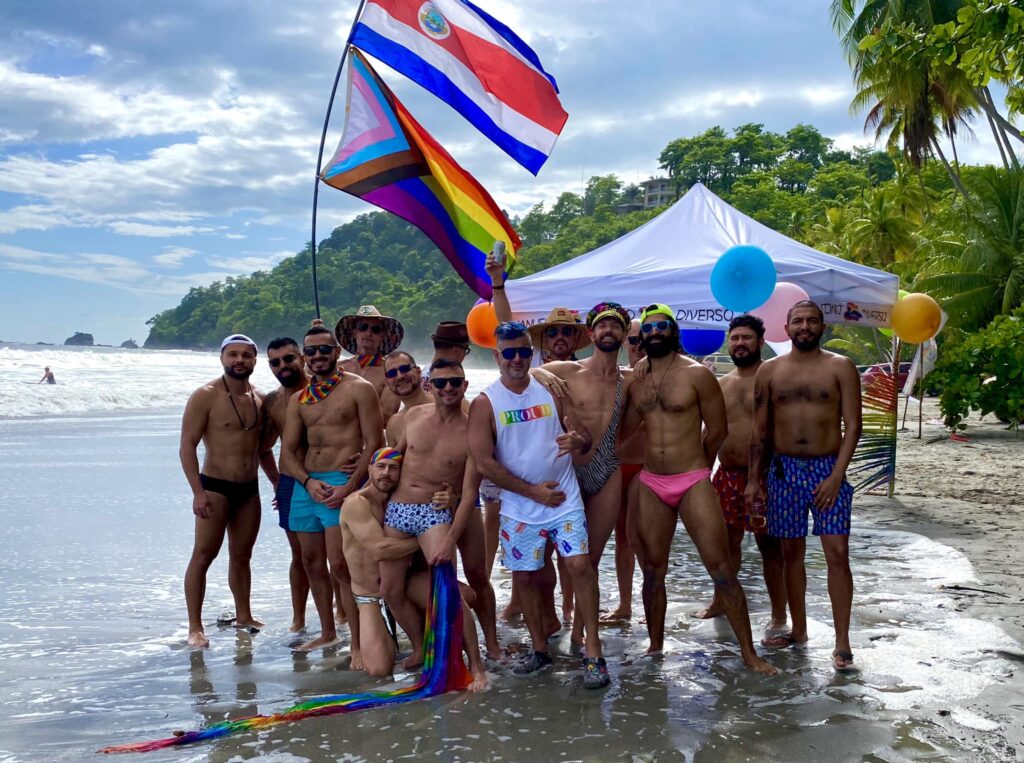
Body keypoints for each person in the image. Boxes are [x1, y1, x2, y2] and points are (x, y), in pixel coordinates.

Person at [619, 306, 774, 674]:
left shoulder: (698, 375)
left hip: (692, 479)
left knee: (721, 568)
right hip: (652, 482)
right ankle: (655, 647)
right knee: (653, 571)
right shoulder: (636, 380)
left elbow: (717, 431)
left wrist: (698, 468)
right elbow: (623, 431)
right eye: (648, 328)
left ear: (674, 332)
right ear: (641, 338)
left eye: (662, 326)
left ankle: (749, 654)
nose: (655, 332)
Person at [468, 321, 612, 689]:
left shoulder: (550, 390)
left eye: (523, 351)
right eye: (509, 353)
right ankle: (539, 649)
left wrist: (578, 441)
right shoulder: (487, 403)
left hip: (563, 498)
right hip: (519, 506)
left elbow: (583, 439)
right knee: (527, 577)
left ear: (531, 354)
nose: (517, 359)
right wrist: (532, 492)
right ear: (497, 355)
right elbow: (484, 462)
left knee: (579, 564)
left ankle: (593, 651)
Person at [746, 300, 862, 671]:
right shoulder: (769, 371)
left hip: (828, 468)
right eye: (798, 320)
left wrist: (836, 476)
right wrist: (754, 480)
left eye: (812, 320)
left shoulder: (840, 367)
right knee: (790, 554)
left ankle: (842, 642)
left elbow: (853, 426)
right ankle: (799, 629)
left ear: (822, 326)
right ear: (787, 326)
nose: (805, 326)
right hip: (783, 472)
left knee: (836, 554)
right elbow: (760, 432)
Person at [380, 358, 501, 665]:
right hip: (402, 509)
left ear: (465, 385)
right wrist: (366, 486)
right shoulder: (411, 418)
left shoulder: (474, 425)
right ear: (428, 384)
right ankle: (423, 645)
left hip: (449, 508)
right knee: (394, 588)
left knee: (475, 574)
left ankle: (490, 645)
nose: (448, 388)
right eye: (440, 382)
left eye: (455, 382)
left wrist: (456, 495)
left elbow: (476, 484)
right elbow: (395, 459)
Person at [341, 448, 488, 689]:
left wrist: (448, 500)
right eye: (381, 467)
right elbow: (380, 550)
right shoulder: (356, 504)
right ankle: (414, 642)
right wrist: (425, 539)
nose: (386, 474)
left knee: (461, 596)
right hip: (370, 595)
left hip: (404, 582)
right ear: (369, 469)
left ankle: (468, 661)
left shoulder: (402, 502)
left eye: (393, 468)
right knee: (379, 669)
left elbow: (437, 515)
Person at [280, 325, 384, 657]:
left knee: (340, 564)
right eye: (310, 352)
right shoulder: (299, 399)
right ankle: (328, 632)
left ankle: (357, 641)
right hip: (307, 485)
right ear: (303, 357)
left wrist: (351, 488)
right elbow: (287, 453)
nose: (317, 356)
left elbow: (375, 442)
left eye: (324, 350)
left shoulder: (359, 389)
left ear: (337, 352)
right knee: (311, 561)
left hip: (341, 482)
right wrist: (307, 482)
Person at [536, 302, 633, 650]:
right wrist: (543, 373)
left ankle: (580, 630)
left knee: (591, 556)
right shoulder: (567, 370)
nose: (608, 331)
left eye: (615, 326)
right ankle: (555, 615)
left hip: (607, 465)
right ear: (591, 334)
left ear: (623, 334)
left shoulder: (630, 378)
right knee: (563, 554)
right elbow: (520, 375)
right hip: (569, 469)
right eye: (602, 326)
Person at [695, 316, 789, 640]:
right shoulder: (722, 383)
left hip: (766, 475)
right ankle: (720, 601)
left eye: (747, 338)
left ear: (760, 341)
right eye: (735, 338)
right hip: (728, 476)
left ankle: (779, 614)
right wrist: (700, 473)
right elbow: (710, 431)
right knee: (724, 545)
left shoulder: (774, 377)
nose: (740, 344)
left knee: (770, 548)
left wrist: (764, 475)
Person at [179, 334, 265, 648]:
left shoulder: (259, 398)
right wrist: (197, 492)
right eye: (233, 355)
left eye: (246, 355)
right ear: (222, 358)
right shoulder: (205, 395)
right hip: (214, 488)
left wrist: (278, 482)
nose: (239, 360)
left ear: (255, 360)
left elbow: (264, 448)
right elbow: (187, 446)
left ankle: (244, 615)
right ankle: (195, 627)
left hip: (249, 489)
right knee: (203, 556)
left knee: (242, 556)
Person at [258, 338, 311, 632]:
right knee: (300, 555)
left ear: (302, 358)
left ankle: (341, 612)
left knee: (336, 556)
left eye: (289, 359)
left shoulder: (323, 389)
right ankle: (299, 619)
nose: (283, 366)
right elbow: (264, 448)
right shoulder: (273, 401)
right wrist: (277, 482)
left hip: (326, 477)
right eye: (276, 362)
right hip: (291, 483)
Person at [602, 318, 646, 622]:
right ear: (623, 344)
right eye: (633, 340)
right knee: (622, 540)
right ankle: (626, 604)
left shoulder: (667, 376)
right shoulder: (612, 377)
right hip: (618, 467)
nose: (639, 346)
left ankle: (653, 599)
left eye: (645, 340)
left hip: (649, 468)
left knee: (647, 539)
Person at [336, 305, 404, 420]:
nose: (368, 333)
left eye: (375, 329)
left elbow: (387, 415)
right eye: (363, 327)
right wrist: (317, 335)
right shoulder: (338, 367)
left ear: (382, 336)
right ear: (354, 332)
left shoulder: (391, 371)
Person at [382, 351, 430, 445]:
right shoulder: (394, 425)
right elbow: (395, 458)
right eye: (392, 373)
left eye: (404, 369)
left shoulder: (452, 405)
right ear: (387, 382)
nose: (400, 376)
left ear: (418, 371)